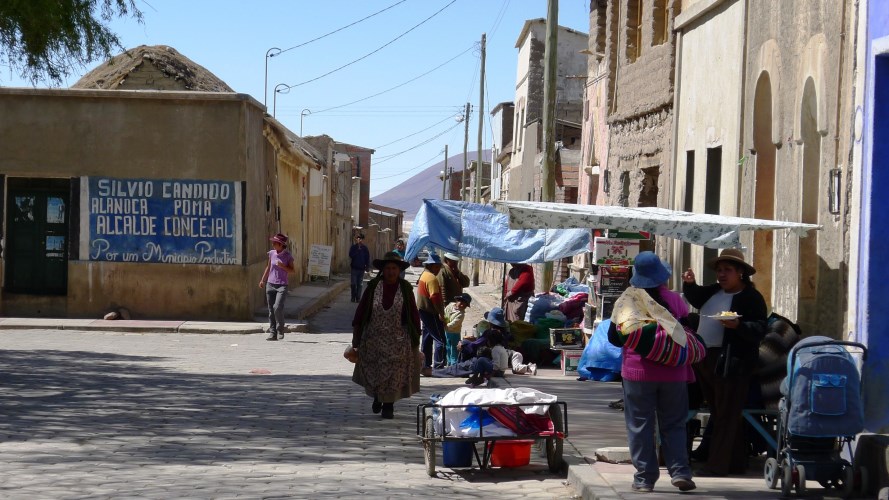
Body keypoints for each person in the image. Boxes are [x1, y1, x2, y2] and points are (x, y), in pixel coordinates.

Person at [607, 251, 697, 493]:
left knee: (640, 425)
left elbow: (614, 338)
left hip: (638, 374)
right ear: (662, 277)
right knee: (675, 424)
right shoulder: (676, 300)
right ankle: (680, 472)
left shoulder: (626, 302)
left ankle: (645, 478)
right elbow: (686, 332)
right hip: (674, 373)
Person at [682, 248, 767, 477]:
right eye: (719, 270)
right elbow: (696, 297)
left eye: (727, 270)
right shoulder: (714, 291)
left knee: (726, 415)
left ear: (740, 273)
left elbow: (760, 329)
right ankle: (736, 463)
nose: (721, 274)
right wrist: (690, 284)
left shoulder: (750, 297)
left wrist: (738, 326)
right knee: (722, 412)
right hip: (705, 359)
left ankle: (716, 466)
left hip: (731, 362)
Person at [351, 251, 421, 419]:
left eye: (394, 268)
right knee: (376, 370)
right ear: (383, 270)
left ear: (399, 270)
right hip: (373, 338)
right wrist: (357, 334)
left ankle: (389, 405)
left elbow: (413, 312)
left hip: (397, 339)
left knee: (394, 372)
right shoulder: (374, 287)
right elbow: (361, 311)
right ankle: (377, 397)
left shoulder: (405, 289)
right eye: (388, 268)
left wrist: (416, 335)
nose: (391, 271)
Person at [258, 233, 295, 341]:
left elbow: (292, 270)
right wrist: (262, 280)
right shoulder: (271, 254)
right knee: (271, 310)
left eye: (275, 243)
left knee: (277, 307)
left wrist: (283, 266)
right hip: (270, 284)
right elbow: (268, 267)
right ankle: (272, 332)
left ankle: (280, 329)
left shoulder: (288, 256)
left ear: (281, 244)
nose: (273, 244)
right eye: (273, 242)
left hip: (282, 285)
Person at [417, 253, 446, 375]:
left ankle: (425, 364)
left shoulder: (423, 275)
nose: (439, 269)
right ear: (433, 266)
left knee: (427, 338)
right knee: (440, 339)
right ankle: (438, 365)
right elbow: (434, 297)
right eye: (438, 266)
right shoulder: (432, 279)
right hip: (431, 311)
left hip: (423, 311)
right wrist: (441, 313)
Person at [444, 293, 471, 365]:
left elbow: (454, 324)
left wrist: (445, 325)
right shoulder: (450, 306)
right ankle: (449, 362)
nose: (462, 305)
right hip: (447, 332)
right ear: (457, 301)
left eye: (465, 305)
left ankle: (454, 364)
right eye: (461, 303)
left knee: (455, 349)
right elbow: (444, 313)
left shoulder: (461, 314)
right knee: (448, 347)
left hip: (455, 332)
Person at [348, 233, 371, 302]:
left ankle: (358, 298)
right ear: (356, 239)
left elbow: (367, 258)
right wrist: (357, 251)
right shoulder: (353, 247)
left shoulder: (365, 248)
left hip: (361, 269)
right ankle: (353, 297)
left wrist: (367, 267)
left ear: (363, 240)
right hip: (354, 268)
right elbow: (351, 255)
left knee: (360, 284)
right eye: (358, 238)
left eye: (361, 239)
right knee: (353, 284)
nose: (359, 240)